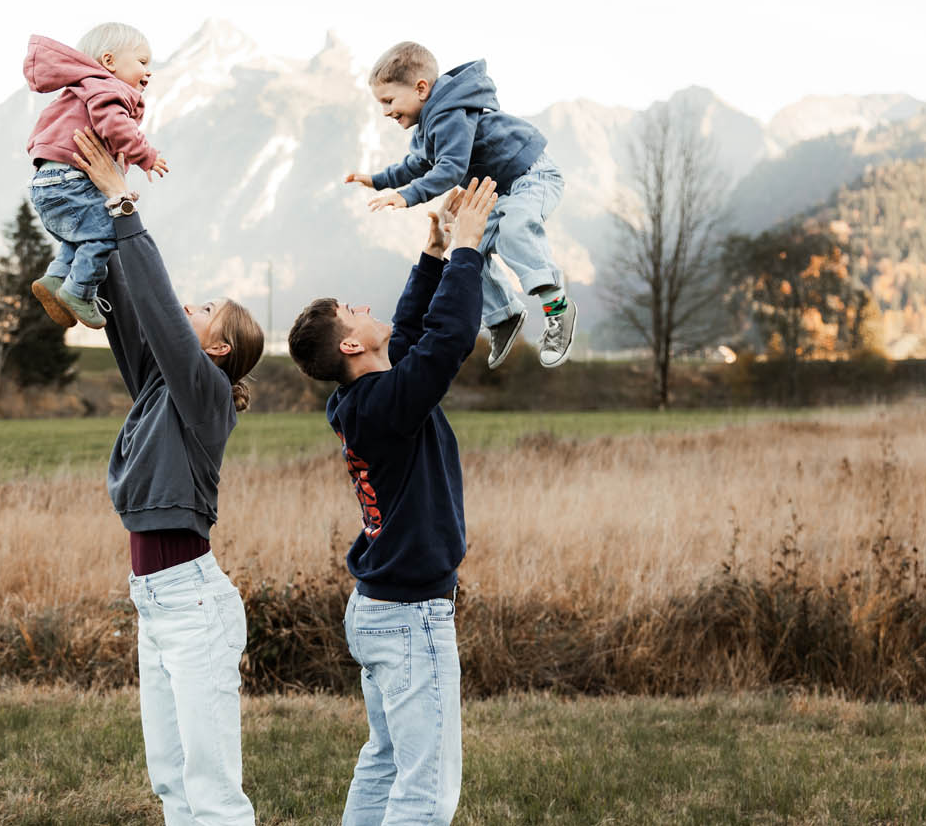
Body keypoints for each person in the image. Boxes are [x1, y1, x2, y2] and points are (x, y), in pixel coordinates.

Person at [287, 176, 499, 826]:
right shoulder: (384, 405)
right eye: (354, 310)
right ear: (352, 345)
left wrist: (433, 254)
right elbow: (445, 341)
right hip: (409, 619)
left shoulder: (372, 398)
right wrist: (468, 250)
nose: (365, 307)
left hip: (382, 609)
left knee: (386, 761)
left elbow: (410, 331)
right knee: (427, 790)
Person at [68, 127, 263, 826]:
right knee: (172, 783)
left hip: (193, 608)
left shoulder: (204, 395)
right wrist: (97, 202)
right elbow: (132, 309)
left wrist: (127, 207)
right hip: (154, 602)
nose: (191, 305)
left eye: (205, 309)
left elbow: (159, 307)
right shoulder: (161, 385)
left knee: (211, 792)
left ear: (219, 348)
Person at [344, 41, 577, 369]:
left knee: (514, 229)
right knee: (469, 252)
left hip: (532, 176)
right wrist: (378, 179)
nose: (385, 111)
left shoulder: (450, 114)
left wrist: (409, 195)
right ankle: (504, 316)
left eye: (389, 100)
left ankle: (558, 309)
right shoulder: (430, 125)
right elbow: (419, 164)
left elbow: (450, 168)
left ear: (421, 88)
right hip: (499, 191)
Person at [23, 23, 170, 329]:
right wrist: (146, 155)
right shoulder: (107, 87)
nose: (149, 71)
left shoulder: (79, 89)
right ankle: (79, 291)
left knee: (82, 235)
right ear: (109, 61)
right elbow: (115, 126)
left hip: (46, 181)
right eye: (142, 62)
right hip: (70, 178)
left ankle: (56, 278)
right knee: (108, 231)